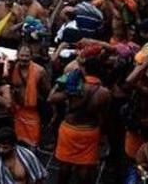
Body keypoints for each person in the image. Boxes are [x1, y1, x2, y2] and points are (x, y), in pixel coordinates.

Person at [49, 46, 111, 184]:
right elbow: (104, 116)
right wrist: (102, 137)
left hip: (70, 130)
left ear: (85, 69)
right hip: (90, 131)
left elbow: (51, 99)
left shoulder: (74, 85)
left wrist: (62, 86)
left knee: (64, 166)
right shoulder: (105, 92)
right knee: (85, 169)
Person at [9, 44, 49, 149]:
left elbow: (47, 89)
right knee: (18, 141)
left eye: (26, 56)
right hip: (18, 111)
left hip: (33, 111)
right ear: (17, 55)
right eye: (21, 56)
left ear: (31, 56)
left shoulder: (40, 71)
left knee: (33, 143)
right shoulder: (12, 67)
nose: (24, 58)